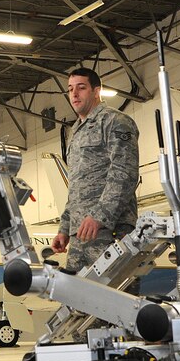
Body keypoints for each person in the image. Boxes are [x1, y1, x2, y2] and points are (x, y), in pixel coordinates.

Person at [50, 68, 139, 273]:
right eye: (70, 89)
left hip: (110, 230)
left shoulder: (115, 121)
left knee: (113, 298)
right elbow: (76, 187)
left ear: (96, 91)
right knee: (76, 299)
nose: (74, 94)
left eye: (81, 88)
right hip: (80, 234)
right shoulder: (76, 131)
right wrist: (65, 229)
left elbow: (125, 174)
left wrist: (100, 215)